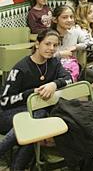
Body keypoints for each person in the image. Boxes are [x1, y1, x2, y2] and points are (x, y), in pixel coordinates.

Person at [0, 29, 72, 170]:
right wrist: (31, 93)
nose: (51, 49)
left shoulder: (54, 63)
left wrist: (54, 84)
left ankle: (17, 167)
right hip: (8, 115)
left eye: (55, 45)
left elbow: (69, 78)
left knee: (39, 117)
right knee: (39, 116)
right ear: (38, 44)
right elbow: (4, 101)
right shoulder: (21, 68)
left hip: (34, 113)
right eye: (47, 44)